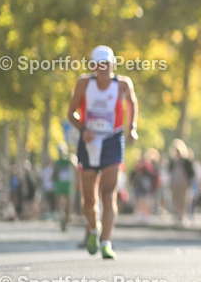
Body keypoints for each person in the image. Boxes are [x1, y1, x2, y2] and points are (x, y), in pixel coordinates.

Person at [67, 45, 139, 259]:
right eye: (99, 64)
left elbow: (132, 102)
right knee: (89, 200)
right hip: (88, 141)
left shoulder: (122, 84)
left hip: (112, 141)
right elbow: (71, 113)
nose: (103, 68)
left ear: (113, 65)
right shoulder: (83, 83)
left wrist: (132, 127)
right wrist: (83, 129)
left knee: (108, 195)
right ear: (93, 66)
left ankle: (106, 242)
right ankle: (93, 228)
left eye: (107, 64)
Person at [167, 139, 196, 226]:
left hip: (183, 183)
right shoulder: (172, 161)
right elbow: (169, 171)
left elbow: (191, 173)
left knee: (183, 199)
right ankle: (176, 214)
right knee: (175, 198)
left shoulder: (186, 162)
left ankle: (182, 214)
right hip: (174, 182)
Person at [52, 145, 77, 231]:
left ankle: (66, 217)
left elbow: (76, 166)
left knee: (68, 203)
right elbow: (54, 173)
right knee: (59, 202)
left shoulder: (70, 160)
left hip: (68, 184)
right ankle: (62, 217)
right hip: (60, 184)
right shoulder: (57, 162)